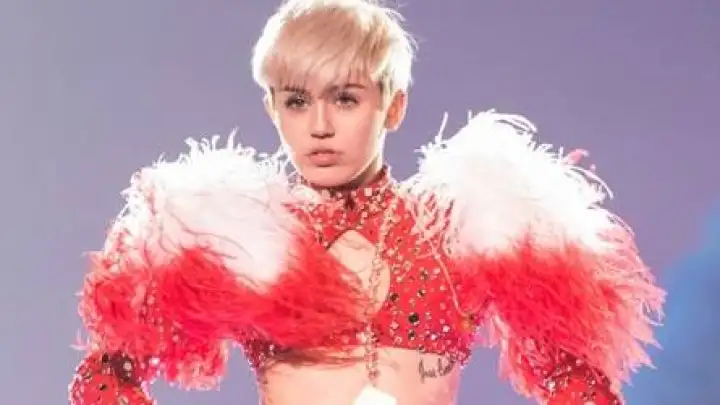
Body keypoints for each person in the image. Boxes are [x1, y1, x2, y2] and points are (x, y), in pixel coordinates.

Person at [67, 1, 665, 404]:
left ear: (393, 105)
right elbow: (104, 378)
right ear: (272, 109)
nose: (319, 126)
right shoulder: (239, 236)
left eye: (346, 99)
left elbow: (578, 381)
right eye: (297, 101)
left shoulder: (460, 228)